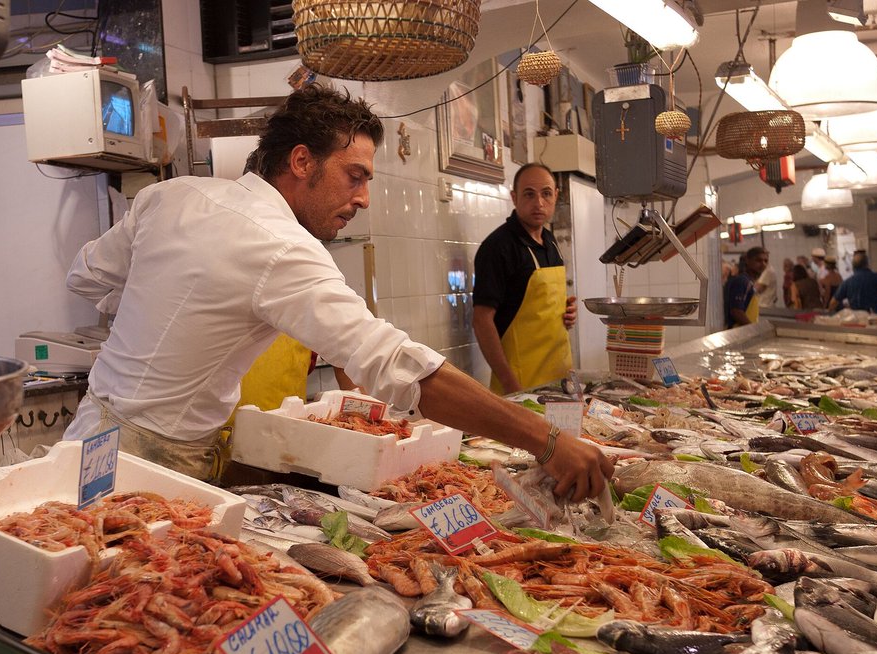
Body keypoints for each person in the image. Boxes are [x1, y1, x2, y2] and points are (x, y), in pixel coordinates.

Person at [62, 85, 609, 500]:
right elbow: (394, 363)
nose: (364, 198)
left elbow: (86, 275)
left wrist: (157, 315)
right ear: (302, 161)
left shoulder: (170, 195)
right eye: (355, 176)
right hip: (153, 471)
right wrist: (546, 440)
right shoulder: (281, 246)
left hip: (86, 441)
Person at [472, 163, 576, 394]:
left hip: (560, 379)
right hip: (520, 385)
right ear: (514, 198)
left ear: (556, 196)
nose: (539, 203)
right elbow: (481, 321)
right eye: (529, 194)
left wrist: (565, 312)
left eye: (546, 194)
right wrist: (511, 385)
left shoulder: (551, 242)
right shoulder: (498, 247)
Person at [723, 248, 764, 327]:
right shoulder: (742, 281)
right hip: (738, 331)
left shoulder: (749, 282)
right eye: (758, 260)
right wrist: (753, 328)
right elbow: (736, 311)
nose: (763, 264)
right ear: (748, 261)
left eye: (766, 261)